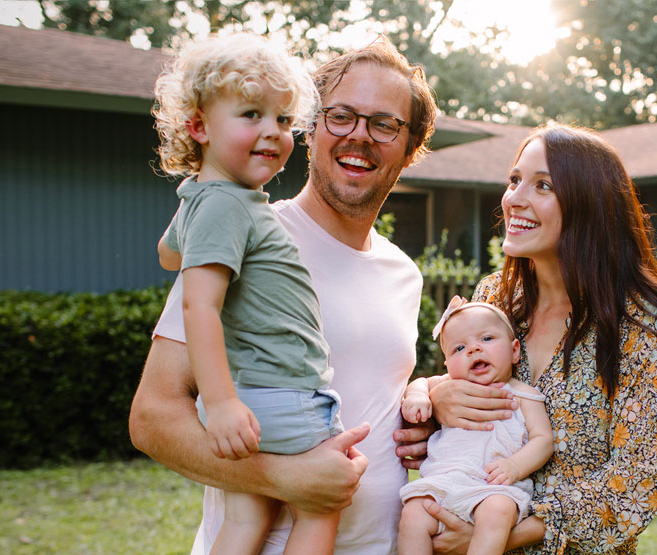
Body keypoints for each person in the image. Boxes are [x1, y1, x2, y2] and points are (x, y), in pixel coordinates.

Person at [129, 38, 440, 554]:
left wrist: (426, 414)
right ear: (312, 126)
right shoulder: (244, 234)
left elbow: (368, 395)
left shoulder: (404, 273)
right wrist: (283, 477)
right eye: (340, 116)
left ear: (410, 149)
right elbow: (152, 418)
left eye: (384, 124)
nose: (358, 136)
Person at [403, 123, 657, 554]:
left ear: (588, 205)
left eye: (543, 185)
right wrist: (438, 402)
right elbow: (461, 393)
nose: (514, 198)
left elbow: (637, 484)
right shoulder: (494, 299)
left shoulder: (637, 324)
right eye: (515, 180)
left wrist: (496, 536)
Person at [150, 33, 337, 554]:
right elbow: (199, 306)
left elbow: (168, 253)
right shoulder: (228, 207)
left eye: (282, 120)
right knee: (323, 503)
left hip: (254, 397)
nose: (272, 133)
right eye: (251, 114)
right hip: (279, 393)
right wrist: (221, 402)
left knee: (245, 518)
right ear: (198, 126)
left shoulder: (207, 199)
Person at [397, 297, 553, 555]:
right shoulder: (449, 384)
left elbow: (543, 439)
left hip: (495, 486)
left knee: (497, 512)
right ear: (447, 364)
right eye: (459, 348)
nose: (473, 350)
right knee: (413, 514)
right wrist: (417, 396)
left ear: (515, 351)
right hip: (445, 480)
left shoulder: (522, 395)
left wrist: (515, 466)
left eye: (487, 339)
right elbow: (421, 382)